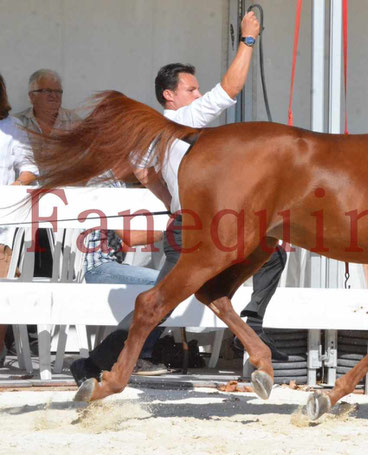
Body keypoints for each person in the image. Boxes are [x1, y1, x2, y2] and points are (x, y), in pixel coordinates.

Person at [72, 11, 286, 390]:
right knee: (159, 304)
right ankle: (94, 366)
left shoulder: (147, 136)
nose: (198, 95)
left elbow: (148, 178)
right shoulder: (183, 118)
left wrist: (177, 204)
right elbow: (231, 89)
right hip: (195, 230)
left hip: (186, 224)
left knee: (261, 256)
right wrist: (248, 39)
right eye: (191, 89)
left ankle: (251, 336)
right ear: (170, 96)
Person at [69, 170, 167, 385]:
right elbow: (131, 238)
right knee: (166, 284)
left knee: (166, 283)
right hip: (99, 267)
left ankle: (133, 354)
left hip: (106, 264)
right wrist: (174, 226)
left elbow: (124, 239)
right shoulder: (107, 184)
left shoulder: (112, 183)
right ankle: (139, 356)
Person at [15, 69, 80, 278]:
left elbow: (86, 161)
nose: (54, 96)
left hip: (66, 201)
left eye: (58, 92)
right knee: (30, 263)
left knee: (61, 264)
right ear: (31, 96)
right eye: (47, 91)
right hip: (28, 204)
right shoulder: (17, 124)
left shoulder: (75, 123)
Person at [0, 72, 39, 366]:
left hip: (3, 222)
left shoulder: (11, 127)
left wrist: (14, 188)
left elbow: (29, 167)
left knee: (2, 286)